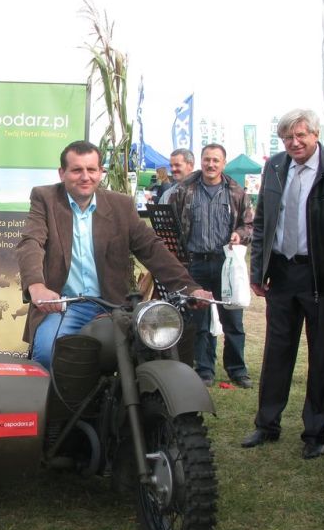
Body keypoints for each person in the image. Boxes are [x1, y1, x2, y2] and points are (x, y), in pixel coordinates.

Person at [244, 108, 324, 459]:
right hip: (283, 276)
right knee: (276, 353)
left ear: (316, 134)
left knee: (321, 357)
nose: (294, 142)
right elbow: (262, 225)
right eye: (288, 137)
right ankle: (266, 424)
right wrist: (259, 271)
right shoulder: (274, 166)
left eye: (301, 135)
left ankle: (315, 432)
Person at [16, 140, 213, 370]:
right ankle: (53, 406)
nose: (85, 177)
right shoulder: (45, 198)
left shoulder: (121, 205)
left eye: (91, 169)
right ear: (62, 173)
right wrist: (36, 286)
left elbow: (151, 247)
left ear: (101, 172)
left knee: (148, 355)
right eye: (77, 170)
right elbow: (31, 242)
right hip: (65, 306)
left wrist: (188, 287)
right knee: (47, 354)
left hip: (112, 306)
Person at [170, 143, 254, 388]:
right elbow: (173, 224)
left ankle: (237, 370)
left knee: (233, 320)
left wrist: (240, 234)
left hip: (226, 264)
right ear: (201, 162)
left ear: (223, 164)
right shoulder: (184, 190)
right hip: (195, 264)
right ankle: (204, 369)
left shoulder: (236, 192)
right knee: (200, 321)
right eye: (207, 159)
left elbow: (250, 225)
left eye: (216, 160)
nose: (211, 164)